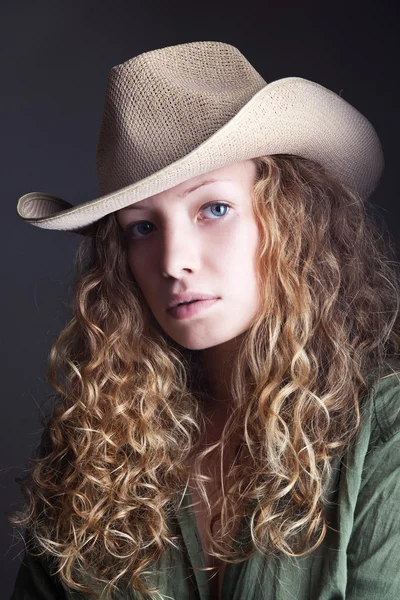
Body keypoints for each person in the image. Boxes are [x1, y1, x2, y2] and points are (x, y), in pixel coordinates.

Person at [9, 41, 400, 600]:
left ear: (294, 219)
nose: (173, 262)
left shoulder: (386, 429)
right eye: (141, 228)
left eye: (213, 209)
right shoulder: (94, 439)